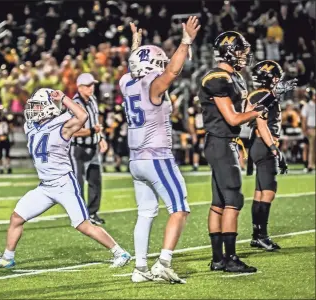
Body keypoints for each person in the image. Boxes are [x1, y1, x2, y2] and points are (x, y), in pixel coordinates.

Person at [0, 88, 130, 269]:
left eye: (37, 107)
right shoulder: (31, 126)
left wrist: (63, 98)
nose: (33, 110)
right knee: (16, 218)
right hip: (45, 187)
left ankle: (120, 252)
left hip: (63, 183)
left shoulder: (63, 125)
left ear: (48, 108)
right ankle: (7, 258)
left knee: (83, 225)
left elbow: (82, 116)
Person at [198, 31, 295, 273]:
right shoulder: (218, 78)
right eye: (240, 51)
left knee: (219, 203)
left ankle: (218, 259)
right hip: (220, 142)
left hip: (224, 142)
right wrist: (255, 114)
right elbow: (234, 117)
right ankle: (229, 259)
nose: (244, 56)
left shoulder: (235, 78)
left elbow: (248, 106)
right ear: (230, 51)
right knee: (234, 200)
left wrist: (272, 97)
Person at [120, 17, 200, 283]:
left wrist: (136, 43)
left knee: (145, 213)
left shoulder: (126, 83)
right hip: (156, 157)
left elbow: (134, 66)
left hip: (135, 161)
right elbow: (172, 73)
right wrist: (186, 42)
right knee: (180, 208)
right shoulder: (153, 86)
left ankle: (140, 269)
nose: (162, 67)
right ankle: (163, 262)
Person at [247, 60, 293, 251]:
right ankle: (261, 236)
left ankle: (257, 235)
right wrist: (274, 148)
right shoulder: (264, 94)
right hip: (264, 143)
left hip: (257, 144)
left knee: (259, 193)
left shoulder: (261, 93)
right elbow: (261, 125)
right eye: (275, 77)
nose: (277, 80)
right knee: (268, 192)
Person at [69, 73, 108, 225]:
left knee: (95, 181)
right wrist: (93, 131)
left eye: (92, 85)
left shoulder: (93, 100)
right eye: (87, 85)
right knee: (78, 182)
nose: (91, 88)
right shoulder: (74, 104)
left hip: (92, 147)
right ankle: (80, 215)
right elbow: (72, 130)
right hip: (78, 148)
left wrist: (101, 138)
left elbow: (96, 122)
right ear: (79, 87)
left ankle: (92, 212)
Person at [0, 107, 14, 174]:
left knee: (6, 155)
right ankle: (2, 168)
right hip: (0, 139)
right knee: (1, 155)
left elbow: (10, 129)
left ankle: (7, 167)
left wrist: (12, 138)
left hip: (5, 138)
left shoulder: (5, 120)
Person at [301, 87, 316, 172]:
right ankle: (310, 165)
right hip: (311, 129)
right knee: (311, 148)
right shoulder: (307, 106)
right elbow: (304, 119)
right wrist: (304, 130)